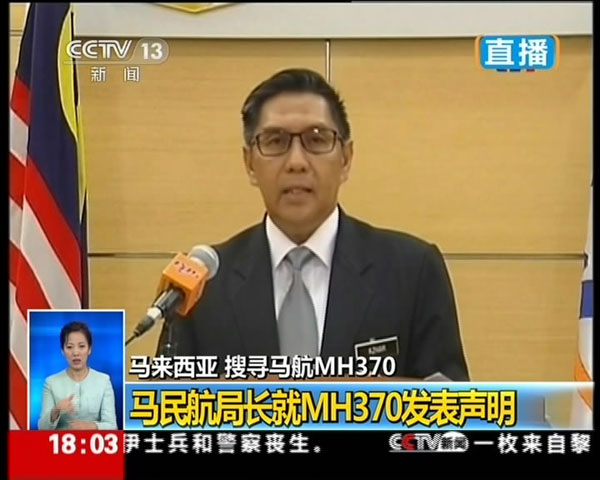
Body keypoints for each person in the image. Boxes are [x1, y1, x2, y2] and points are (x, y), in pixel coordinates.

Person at [160, 68, 469, 381]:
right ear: (250, 164)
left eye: (316, 140)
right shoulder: (202, 285)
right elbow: (167, 404)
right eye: (275, 141)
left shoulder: (412, 270)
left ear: (345, 159)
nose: (296, 162)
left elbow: (451, 406)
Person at [38, 321, 118, 430]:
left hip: (93, 440)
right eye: (69, 347)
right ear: (62, 351)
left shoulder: (104, 381)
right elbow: (42, 428)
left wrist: (91, 426)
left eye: (81, 346)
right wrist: (56, 410)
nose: (76, 353)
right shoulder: (51, 383)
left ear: (89, 349)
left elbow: (112, 426)